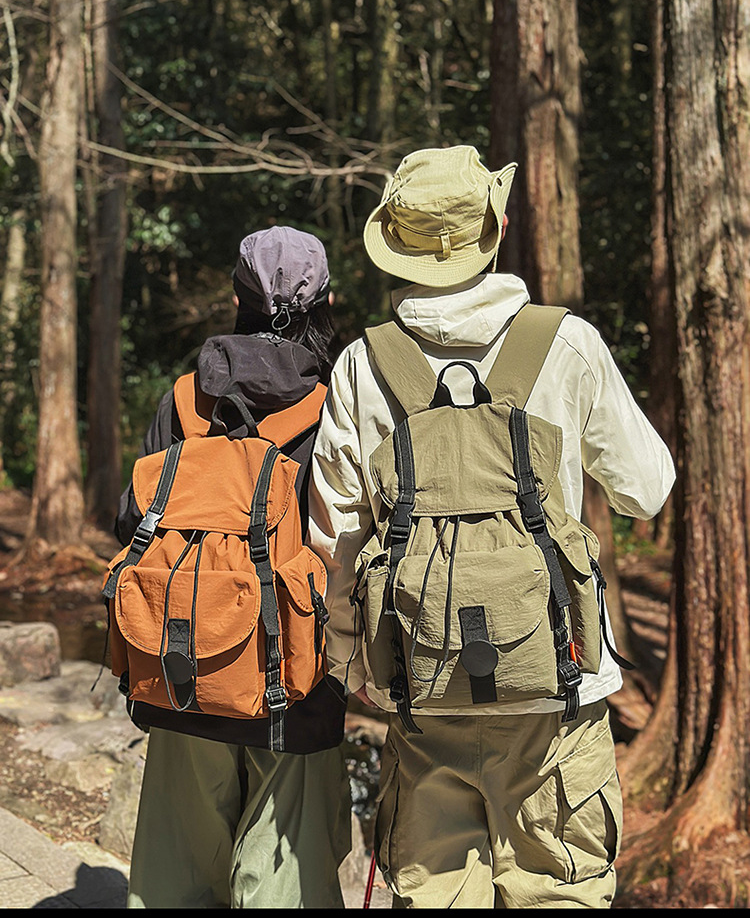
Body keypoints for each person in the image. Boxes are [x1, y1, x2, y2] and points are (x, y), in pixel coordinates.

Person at [306, 145, 676, 909]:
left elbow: (336, 542)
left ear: (395, 243)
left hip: (422, 687)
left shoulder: (361, 365)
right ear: (496, 227)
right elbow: (647, 490)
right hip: (558, 690)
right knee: (560, 893)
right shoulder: (566, 342)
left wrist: (355, 668)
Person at [117, 226, 352, 909]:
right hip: (296, 686)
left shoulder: (183, 401)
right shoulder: (336, 405)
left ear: (234, 298)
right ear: (326, 301)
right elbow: (348, 545)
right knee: (283, 885)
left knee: (176, 881)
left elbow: (131, 522)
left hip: (179, 671)